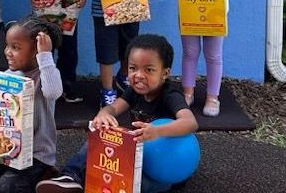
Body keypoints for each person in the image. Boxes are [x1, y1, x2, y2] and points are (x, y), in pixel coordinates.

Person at [36, 34, 198, 193]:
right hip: (138, 155)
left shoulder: (170, 95)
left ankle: (87, 180)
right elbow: (113, 108)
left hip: (166, 169)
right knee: (99, 133)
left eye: (149, 70)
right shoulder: (134, 91)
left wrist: (156, 131)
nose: (139, 75)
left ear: (165, 73)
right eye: (133, 68)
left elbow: (190, 122)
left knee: (135, 183)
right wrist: (103, 115)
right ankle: (69, 176)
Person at [0, 16, 63, 193]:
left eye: (16, 47)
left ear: (36, 51)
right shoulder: (11, 74)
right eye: (7, 46)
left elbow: (53, 92)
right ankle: (10, 174)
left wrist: (46, 57)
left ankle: (47, 174)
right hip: (8, 150)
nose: (8, 52)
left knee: (6, 189)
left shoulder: (46, 74)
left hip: (36, 155)